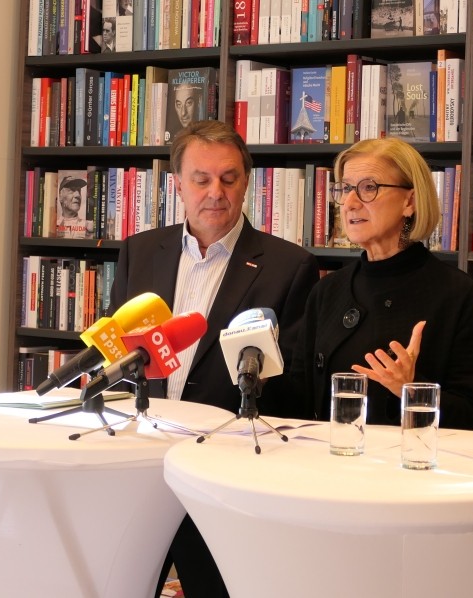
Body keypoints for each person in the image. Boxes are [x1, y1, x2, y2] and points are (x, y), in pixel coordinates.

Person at [109, 119, 320, 598]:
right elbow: (122, 354)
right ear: (177, 184)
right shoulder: (139, 252)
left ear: (247, 182)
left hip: (227, 471)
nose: (215, 192)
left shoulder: (290, 266)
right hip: (139, 464)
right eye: (200, 179)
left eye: (229, 178)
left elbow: (293, 387)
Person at [291, 137, 473, 431]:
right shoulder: (327, 289)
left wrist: (409, 389)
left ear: (409, 201)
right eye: (345, 189)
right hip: (331, 463)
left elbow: (471, 415)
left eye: (368, 188)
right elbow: (297, 396)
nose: (350, 202)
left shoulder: (456, 293)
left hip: (409, 467)